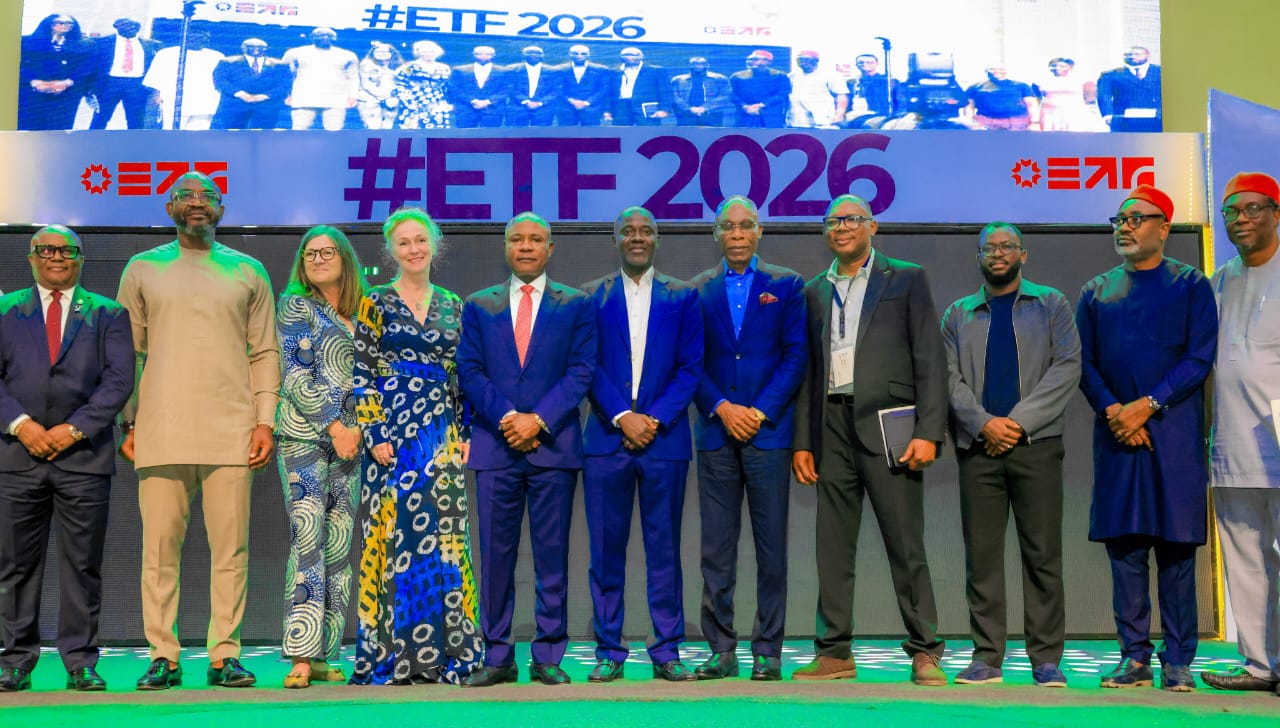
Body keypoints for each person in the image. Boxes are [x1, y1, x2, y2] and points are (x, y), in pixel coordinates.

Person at [116, 172, 280, 690]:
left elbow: (264, 351)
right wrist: (128, 420)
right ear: (169, 207)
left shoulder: (248, 270)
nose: (196, 203)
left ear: (221, 209)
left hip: (232, 431)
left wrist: (265, 421)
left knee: (230, 553)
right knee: (159, 552)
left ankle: (224, 655)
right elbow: (127, 354)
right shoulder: (142, 268)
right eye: (185, 196)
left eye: (207, 196)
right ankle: (162, 656)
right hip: (160, 429)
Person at [790, 195, 949, 686]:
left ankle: (925, 651)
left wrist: (928, 431)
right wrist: (803, 441)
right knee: (832, 548)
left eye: (852, 219)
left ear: (872, 226)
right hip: (831, 425)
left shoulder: (905, 278)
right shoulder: (815, 290)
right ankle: (834, 652)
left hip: (889, 424)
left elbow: (930, 358)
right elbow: (808, 371)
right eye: (833, 221)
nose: (841, 227)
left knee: (905, 543)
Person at [1075, 185, 1216, 691]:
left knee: (1176, 551)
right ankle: (1134, 657)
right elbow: (1084, 363)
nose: (1125, 227)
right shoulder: (1096, 292)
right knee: (1126, 550)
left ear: (1164, 227)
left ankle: (1178, 661)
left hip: (1173, 436)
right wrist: (1117, 411)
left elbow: (1199, 358)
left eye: (1137, 218)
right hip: (1118, 437)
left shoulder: (1191, 285)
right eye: (1120, 219)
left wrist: (1148, 405)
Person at [456, 212, 597, 687]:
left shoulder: (575, 304)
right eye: (517, 239)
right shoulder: (480, 305)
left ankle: (548, 656)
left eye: (536, 239)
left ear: (550, 248)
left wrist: (537, 420)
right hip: (496, 448)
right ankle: (497, 656)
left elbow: (581, 371)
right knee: (495, 558)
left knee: (551, 557)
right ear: (505, 247)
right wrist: (508, 419)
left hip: (553, 448)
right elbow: (470, 371)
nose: (526, 246)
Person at [941, 223, 1081, 687]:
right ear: (978, 257)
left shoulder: (1051, 304)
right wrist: (984, 423)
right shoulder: (958, 314)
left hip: (1036, 446)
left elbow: (1067, 367)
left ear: (1024, 254)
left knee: (1042, 555)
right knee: (982, 558)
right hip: (978, 449)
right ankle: (986, 657)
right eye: (989, 248)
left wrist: (1018, 423)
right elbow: (947, 379)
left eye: (1007, 247)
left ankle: (1046, 659)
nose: (997, 253)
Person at [349, 208, 483, 685]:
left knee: (445, 540)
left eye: (420, 240)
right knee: (394, 539)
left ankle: (447, 651)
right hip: (392, 437)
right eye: (404, 242)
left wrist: (465, 433)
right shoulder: (374, 301)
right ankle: (394, 652)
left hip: (441, 436)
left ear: (434, 245)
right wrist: (375, 433)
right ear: (391, 250)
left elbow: (463, 375)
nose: (413, 249)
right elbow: (362, 373)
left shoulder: (454, 304)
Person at [0, 227, 133, 693]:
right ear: (31, 257)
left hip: (83, 459)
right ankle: (16, 661)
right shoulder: (5, 310)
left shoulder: (108, 313)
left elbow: (118, 381)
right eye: (47, 250)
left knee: (82, 565)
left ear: (81, 258)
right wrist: (22, 425)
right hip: (17, 457)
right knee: (15, 566)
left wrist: (73, 429)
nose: (57, 257)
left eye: (67, 250)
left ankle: (80, 662)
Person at [581, 207, 704, 683]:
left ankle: (667, 650)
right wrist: (622, 416)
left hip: (663, 440)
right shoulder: (591, 296)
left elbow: (691, 368)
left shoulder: (684, 296)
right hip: (606, 440)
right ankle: (609, 649)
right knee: (605, 553)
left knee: (664, 550)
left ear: (657, 239)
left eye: (646, 231)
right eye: (628, 231)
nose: (637, 237)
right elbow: (586, 365)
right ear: (615, 239)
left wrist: (652, 419)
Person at [690, 196, 806, 682]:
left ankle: (768, 651)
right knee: (717, 550)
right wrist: (722, 407)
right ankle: (721, 650)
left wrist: (757, 412)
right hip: (716, 434)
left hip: (767, 435)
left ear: (760, 232)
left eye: (746, 225)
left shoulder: (787, 285)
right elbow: (689, 361)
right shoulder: (696, 290)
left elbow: (796, 355)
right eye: (728, 226)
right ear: (715, 234)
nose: (737, 234)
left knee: (771, 549)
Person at [276, 226, 368, 689]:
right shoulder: (296, 306)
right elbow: (295, 375)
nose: (317, 259)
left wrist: (358, 430)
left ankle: (326, 654)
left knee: (339, 546)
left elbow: (375, 376)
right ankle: (300, 652)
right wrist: (335, 427)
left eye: (327, 252)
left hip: (354, 441)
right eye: (309, 253)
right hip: (305, 437)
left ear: (344, 258)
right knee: (308, 538)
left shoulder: (366, 311)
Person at [1201, 172, 1280, 696]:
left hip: (1279, 442)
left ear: (1276, 213)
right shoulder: (1220, 280)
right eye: (1231, 211)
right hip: (1232, 446)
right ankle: (1259, 665)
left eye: (1253, 208)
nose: (1241, 219)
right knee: (1246, 563)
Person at [18, 14, 94, 131]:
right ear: (49, 24)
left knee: (59, 129)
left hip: (66, 94)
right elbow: (20, 64)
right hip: (32, 92)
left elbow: (87, 67)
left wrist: (67, 82)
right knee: (29, 127)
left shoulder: (85, 45)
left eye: (69, 23)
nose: (65, 26)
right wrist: (34, 82)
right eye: (60, 22)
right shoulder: (27, 42)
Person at [142, 29, 224, 130]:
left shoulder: (217, 56)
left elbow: (222, 80)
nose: (200, 40)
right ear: (186, 37)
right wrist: (157, 96)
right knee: (172, 132)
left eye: (204, 38)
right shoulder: (166, 53)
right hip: (173, 101)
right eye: (195, 37)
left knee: (199, 134)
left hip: (206, 103)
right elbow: (155, 77)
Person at [89, 18, 161, 130]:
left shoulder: (150, 45)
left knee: (136, 120)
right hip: (110, 84)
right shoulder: (102, 42)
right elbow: (93, 65)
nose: (130, 28)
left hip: (136, 84)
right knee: (100, 118)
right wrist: (91, 87)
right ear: (116, 27)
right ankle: (91, 138)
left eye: (134, 26)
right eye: (125, 25)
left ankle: (133, 140)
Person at [283, 27, 358, 131]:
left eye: (328, 35)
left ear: (334, 38)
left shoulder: (347, 55)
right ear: (312, 37)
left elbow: (353, 77)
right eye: (320, 35)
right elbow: (287, 75)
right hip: (304, 97)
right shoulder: (296, 53)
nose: (325, 37)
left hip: (336, 99)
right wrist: (288, 94)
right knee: (299, 129)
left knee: (334, 131)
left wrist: (353, 96)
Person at [211, 38, 291, 130]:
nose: (256, 49)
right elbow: (220, 80)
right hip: (235, 103)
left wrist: (266, 95)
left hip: (267, 105)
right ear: (243, 47)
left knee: (264, 134)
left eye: (260, 47)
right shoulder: (228, 62)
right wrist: (240, 93)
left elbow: (285, 83)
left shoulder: (279, 64)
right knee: (233, 134)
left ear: (266, 49)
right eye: (251, 47)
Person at [1097, 46, 1162, 133]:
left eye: (1137, 54)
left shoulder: (1161, 72)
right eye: (1129, 54)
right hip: (1123, 122)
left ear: (1147, 55)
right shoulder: (1110, 75)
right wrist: (1108, 115)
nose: (1132, 56)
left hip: (1156, 121)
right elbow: (1104, 96)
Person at [392, 40, 453, 129]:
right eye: (425, 51)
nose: (429, 54)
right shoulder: (409, 67)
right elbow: (401, 83)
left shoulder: (444, 68)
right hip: (414, 103)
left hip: (438, 104)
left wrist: (448, 103)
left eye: (432, 51)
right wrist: (409, 102)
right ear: (418, 52)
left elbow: (448, 87)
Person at [607, 48, 672, 126]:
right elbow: (608, 92)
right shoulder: (614, 71)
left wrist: (664, 109)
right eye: (626, 55)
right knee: (620, 131)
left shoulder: (655, 70)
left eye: (633, 55)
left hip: (646, 107)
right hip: (621, 107)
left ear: (641, 57)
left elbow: (665, 91)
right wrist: (607, 110)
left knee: (649, 131)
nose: (629, 57)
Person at [729, 50, 791, 128]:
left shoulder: (780, 76)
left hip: (770, 117)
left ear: (768, 61)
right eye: (749, 59)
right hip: (745, 115)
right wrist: (745, 106)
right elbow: (732, 95)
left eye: (754, 59)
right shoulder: (737, 76)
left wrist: (762, 105)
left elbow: (782, 94)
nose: (750, 62)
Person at [964, 65, 1039, 130]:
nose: (997, 71)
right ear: (986, 71)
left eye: (1001, 69)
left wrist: (1035, 123)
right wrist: (970, 122)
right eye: (992, 69)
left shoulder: (1022, 86)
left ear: (1005, 71)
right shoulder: (975, 87)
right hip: (985, 122)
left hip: (1016, 123)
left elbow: (1031, 105)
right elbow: (969, 106)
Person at [788, 50, 848, 128]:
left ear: (815, 60)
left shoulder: (831, 75)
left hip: (821, 118)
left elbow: (841, 95)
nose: (802, 62)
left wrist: (839, 115)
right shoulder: (793, 75)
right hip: (796, 118)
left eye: (806, 59)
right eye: (800, 59)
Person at [1037, 57, 1098, 132]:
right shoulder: (1043, 81)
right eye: (1054, 66)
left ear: (1070, 67)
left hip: (1073, 112)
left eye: (1062, 66)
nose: (1057, 68)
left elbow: (1090, 97)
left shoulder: (1080, 80)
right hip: (1049, 113)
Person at [450, 45, 505, 128]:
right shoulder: (459, 70)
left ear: (494, 55)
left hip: (493, 110)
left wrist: (487, 101)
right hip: (466, 108)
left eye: (488, 54)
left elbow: (506, 89)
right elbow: (454, 88)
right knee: (464, 135)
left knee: (491, 135)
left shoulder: (503, 71)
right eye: (479, 54)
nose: (483, 56)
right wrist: (473, 101)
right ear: (473, 55)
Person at [503, 45, 557, 127]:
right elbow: (510, 88)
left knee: (542, 133)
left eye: (537, 53)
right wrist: (526, 101)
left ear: (542, 56)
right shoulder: (513, 69)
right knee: (515, 133)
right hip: (517, 107)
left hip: (543, 109)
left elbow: (555, 90)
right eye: (530, 53)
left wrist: (540, 102)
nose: (533, 55)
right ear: (524, 55)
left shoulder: (552, 71)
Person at [671, 57, 732, 127]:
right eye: (695, 64)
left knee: (713, 134)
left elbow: (725, 96)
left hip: (712, 114)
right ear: (689, 66)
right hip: (686, 115)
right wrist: (689, 109)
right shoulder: (678, 80)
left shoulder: (720, 78)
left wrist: (705, 108)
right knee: (686, 133)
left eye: (702, 64)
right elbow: (674, 96)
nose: (698, 66)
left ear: (708, 65)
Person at [558, 44, 609, 126]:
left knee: (590, 133)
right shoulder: (560, 69)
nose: (579, 56)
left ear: (588, 55)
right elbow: (558, 89)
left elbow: (603, 89)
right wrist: (571, 101)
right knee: (566, 133)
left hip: (591, 108)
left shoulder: (600, 69)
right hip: (567, 109)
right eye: (575, 53)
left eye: (583, 54)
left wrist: (587, 102)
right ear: (569, 54)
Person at [356, 41, 402, 130]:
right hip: (369, 100)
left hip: (391, 101)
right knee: (374, 128)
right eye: (379, 52)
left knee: (388, 127)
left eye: (385, 52)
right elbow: (366, 84)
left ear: (391, 53)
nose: (382, 54)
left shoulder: (396, 65)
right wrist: (384, 97)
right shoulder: (367, 64)